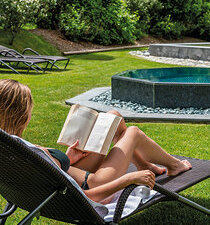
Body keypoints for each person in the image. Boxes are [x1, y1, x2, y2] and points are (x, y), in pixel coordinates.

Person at [0, 79, 191, 204]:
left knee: (112, 117)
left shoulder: (10, 146)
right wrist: (128, 180)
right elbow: (85, 198)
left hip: (78, 175)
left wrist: (68, 158)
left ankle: (144, 164)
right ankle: (174, 166)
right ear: (22, 117)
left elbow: (52, 172)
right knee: (132, 132)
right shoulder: (22, 151)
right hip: (95, 186)